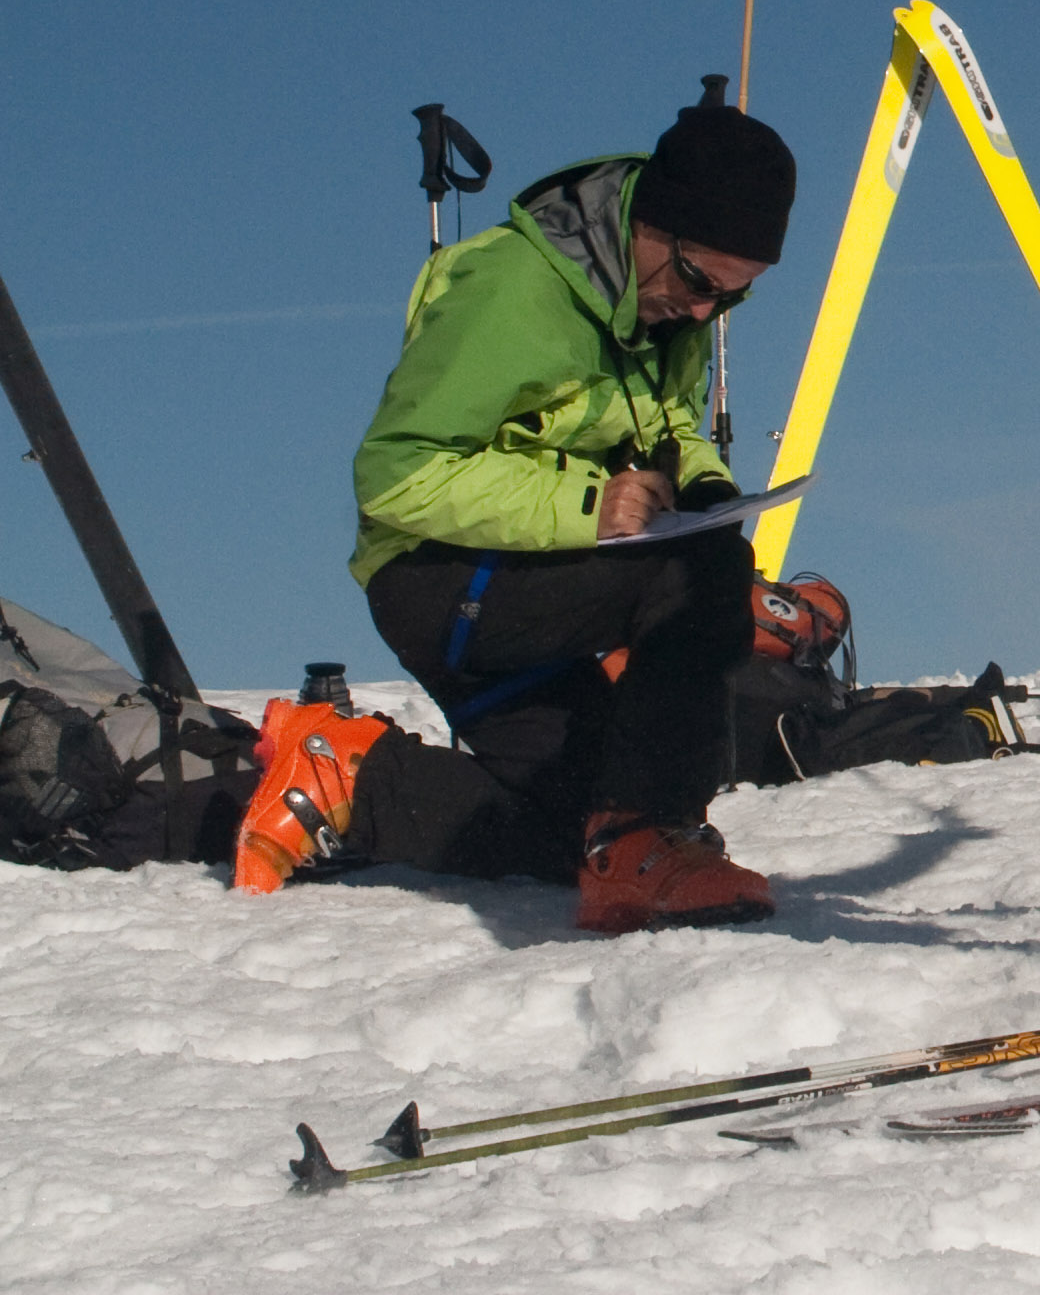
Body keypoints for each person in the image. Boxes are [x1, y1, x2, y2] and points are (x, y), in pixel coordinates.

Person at [232, 84, 798, 933]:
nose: (704, 309)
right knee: (700, 573)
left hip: (530, 584)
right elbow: (395, 475)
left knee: (568, 829)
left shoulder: (664, 309)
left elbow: (671, 424)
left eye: (732, 294)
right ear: (649, 221)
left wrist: (708, 487)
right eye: (696, 279)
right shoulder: (511, 291)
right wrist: (591, 505)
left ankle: (350, 774)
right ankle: (648, 840)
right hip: (437, 577)